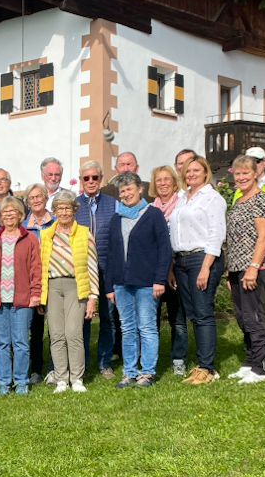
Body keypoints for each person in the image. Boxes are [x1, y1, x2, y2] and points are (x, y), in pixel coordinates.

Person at [104, 172, 171, 388]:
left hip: (146, 282)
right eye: (122, 191)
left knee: (147, 327)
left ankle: (147, 372)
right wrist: (110, 286)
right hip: (121, 283)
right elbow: (111, 254)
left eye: (129, 189)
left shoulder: (153, 214)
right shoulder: (116, 218)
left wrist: (159, 279)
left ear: (139, 189)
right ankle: (129, 372)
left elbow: (164, 249)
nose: (126, 194)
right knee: (128, 328)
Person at [169, 156, 226, 385]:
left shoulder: (212, 198)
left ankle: (207, 369)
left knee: (203, 313)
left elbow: (216, 233)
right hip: (182, 261)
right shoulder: (182, 197)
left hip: (202, 258)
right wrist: (173, 265)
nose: (191, 173)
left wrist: (205, 268)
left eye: (196, 170)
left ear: (205, 172)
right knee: (192, 314)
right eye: (188, 170)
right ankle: (202, 363)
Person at [0, 196, 42, 396]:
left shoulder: (29, 238)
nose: (8, 215)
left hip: (22, 299)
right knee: (2, 343)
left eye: (12, 211)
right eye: (4, 212)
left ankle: (21, 381)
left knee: (21, 342)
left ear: (20, 214)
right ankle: (4, 382)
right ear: (0, 215)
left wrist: (35, 293)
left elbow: (36, 268)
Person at [224, 155, 265, 384]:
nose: (242, 177)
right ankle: (249, 362)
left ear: (255, 173)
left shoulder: (261, 199)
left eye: (246, 172)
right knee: (242, 317)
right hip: (237, 267)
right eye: (238, 173)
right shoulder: (239, 200)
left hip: (255, 266)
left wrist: (253, 268)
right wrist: (230, 270)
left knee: (254, 317)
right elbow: (233, 239)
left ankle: (261, 367)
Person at [40, 190, 99, 393]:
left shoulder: (84, 233)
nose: (64, 212)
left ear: (74, 210)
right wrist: (41, 297)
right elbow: (41, 266)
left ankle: (77, 379)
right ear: (54, 211)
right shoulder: (45, 235)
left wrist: (93, 297)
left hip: (77, 286)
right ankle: (61, 379)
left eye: (68, 208)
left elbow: (92, 266)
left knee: (74, 333)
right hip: (53, 287)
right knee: (56, 334)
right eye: (60, 208)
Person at [73, 160, 118, 380]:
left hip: (107, 269)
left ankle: (104, 362)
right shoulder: (73, 205)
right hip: (82, 271)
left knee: (108, 318)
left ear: (101, 179)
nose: (91, 181)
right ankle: (83, 363)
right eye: (86, 178)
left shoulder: (113, 203)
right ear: (80, 180)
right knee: (83, 317)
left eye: (95, 177)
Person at [150, 165, 188, 376]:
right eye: (158, 180)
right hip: (154, 272)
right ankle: (151, 360)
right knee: (151, 320)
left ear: (175, 183)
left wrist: (170, 268)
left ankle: (178, 358)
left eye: (167, 179)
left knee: (177, 318)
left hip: (177, 268)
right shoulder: (149, 209)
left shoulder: (182, 206)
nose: (163, 183)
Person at [22, 182, 55, 385]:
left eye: (39, 196)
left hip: (53, 280)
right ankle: (35, 369)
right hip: (31, 283)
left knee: (55, 329)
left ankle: (54, 368)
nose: (36, 200)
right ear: (27, 202)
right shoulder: (23, 227)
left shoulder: (56, 222)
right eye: (31, 198)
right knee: (35, 329)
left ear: (45, 197)